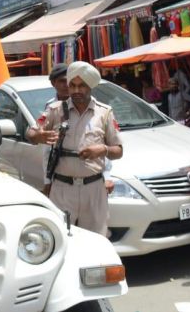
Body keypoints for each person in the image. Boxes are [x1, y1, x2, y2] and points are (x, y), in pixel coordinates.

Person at [25, 61, 123, 236]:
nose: (76, 90)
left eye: (81, 86)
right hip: (62, 189)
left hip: (94, 190)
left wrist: (103, 150)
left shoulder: (105, 112)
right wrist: (38, 136)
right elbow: (31, 133)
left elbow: (118, 151)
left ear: (90, 86)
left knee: (96, 239)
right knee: (61, 237)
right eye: (72, 86)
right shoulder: (55, 110)